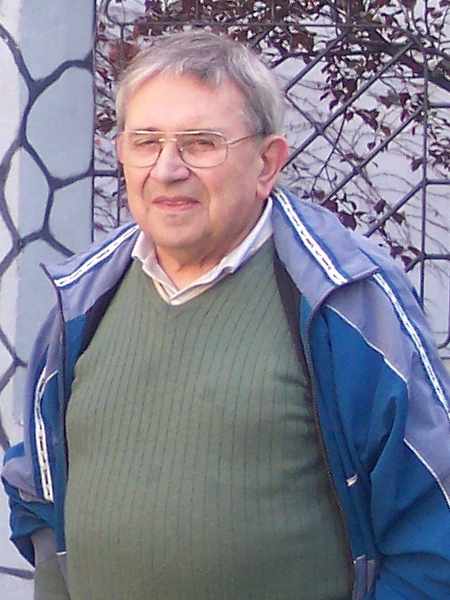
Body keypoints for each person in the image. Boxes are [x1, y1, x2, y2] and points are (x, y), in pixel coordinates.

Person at [2, 30, 450, 600]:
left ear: (267, 162)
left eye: (200, 143)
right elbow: (37, 485)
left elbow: (434, 531)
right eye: (146, 142)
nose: (167, 169)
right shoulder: (82, 297)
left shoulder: (347, 301)